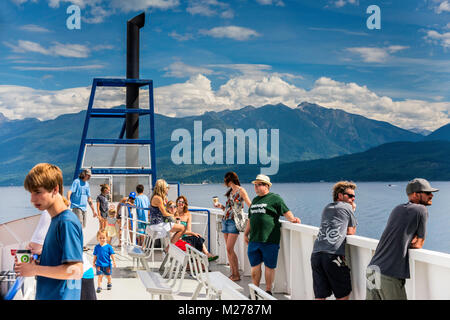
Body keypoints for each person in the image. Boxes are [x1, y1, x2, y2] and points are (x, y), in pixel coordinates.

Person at [15, 163, 83, 300]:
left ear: (55, 189)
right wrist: (38, 263)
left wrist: (34, 270)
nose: (32, 199)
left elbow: (76, 270)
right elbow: (59, 263)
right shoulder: (56, 220)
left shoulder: (66, 222)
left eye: (38, 192)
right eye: (31, 193)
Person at [366, 178, 438, 300]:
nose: (431, 195)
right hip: (389, 273)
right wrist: (412, 241)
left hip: (372, 268)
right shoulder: (421, 210)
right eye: (427, 193)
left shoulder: (397, 208)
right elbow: (419, 243)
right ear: (416, 194)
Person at [244, 174, 301, 295]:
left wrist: (292, 219)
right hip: (254, 239)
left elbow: (285, 211)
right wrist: (246, 233)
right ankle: (255, 290)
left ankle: (268, 290)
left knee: (269, 266)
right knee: (255, 266)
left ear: (267, 186)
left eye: (259, 184)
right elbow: (250, 218)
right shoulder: (254, 200)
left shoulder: (275, 198)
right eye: (255, 185)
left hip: (269, 239)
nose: (256, 187)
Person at [26, 209, 96, 300]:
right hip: (81, 275)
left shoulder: (50, 214)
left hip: (78, 278)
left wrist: (35, 268)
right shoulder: (64, 215)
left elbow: (33, 248)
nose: (33, 199)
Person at [310, 181, 357, 300]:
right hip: (333, 255)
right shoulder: (347, 207)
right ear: (340, 195)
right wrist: (353, 211)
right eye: (350, 196)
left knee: (320, 295)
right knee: (343, 294)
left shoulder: (327, 207)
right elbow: (351, 231)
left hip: (316, 255)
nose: (353, 199)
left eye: (354, 196)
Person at [213, 171, 251, 282]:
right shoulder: (230, 192)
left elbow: (249, 204)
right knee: (229, 250)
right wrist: (220, 206)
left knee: (229, 248)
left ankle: (236, 274)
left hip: (234, 222)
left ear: (229, 180)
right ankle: (233, 273)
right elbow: (228, 209)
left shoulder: (241, 191)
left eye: (225, 180)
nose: (224, 183)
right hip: (225, 220)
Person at [175, 195, 218, 261]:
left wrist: (192, 235)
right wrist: (193, 233)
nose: (181, 203)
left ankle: (207, 254)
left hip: (186, 236)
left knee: (198, 238)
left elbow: (189, 229)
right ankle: (204, 257)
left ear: (185, 204)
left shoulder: (188, 214)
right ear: (176, 203)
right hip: (177, 238)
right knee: (195, 237)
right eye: (179, 201)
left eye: (183, 202)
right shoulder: (174, 214)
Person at [148, 179, 185, 248]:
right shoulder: (158, 198)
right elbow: (164, 213)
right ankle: (169, 248)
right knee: (182, 228)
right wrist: (173, 216)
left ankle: (169, 247)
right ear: (162, 188)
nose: (167, 190)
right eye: (166, 188)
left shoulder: (156, 197)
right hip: (158, 225)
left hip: (156, 223)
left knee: (178, 228)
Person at [67, 169, 97, 251]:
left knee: (82, 226)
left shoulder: (87, 184)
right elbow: (69, 192)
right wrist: (68, 200)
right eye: (88, 175)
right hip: (77, 207)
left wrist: (94, 210)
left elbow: (89, 198)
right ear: (84, 174)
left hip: (84, 208)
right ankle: (79, 245)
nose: (89, 177)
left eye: (90, 175)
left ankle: (78, 244)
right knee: (79, 226)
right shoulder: (76, 182)